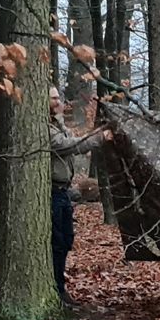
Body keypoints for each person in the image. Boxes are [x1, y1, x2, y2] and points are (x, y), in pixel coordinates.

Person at [50, 89, 109, 306]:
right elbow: (69, 146)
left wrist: (98, 136)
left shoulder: (57, 124)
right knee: (56, 242)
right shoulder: (43, 128)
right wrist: (98, 138)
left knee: (65, 240)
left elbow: (75, 142)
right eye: (53, 98)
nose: (58, 102)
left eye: (59, 97)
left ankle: (59, 287)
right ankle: (56, 289)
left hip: (63, 193)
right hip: (52, 194)